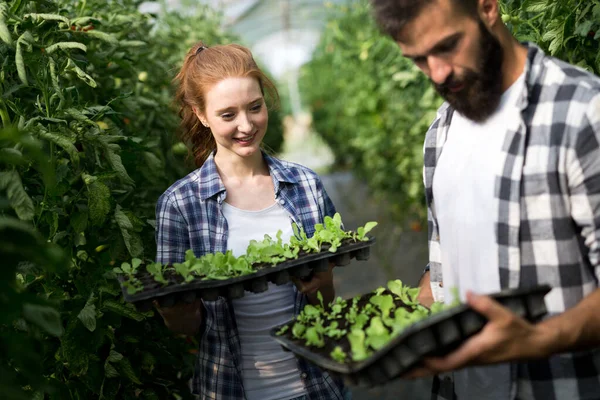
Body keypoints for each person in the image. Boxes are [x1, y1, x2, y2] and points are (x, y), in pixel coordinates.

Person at [370, 0, 600, 399]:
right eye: (419, 59)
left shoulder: (582, 114)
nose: (438, 72)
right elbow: (450, 261)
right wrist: (401, 316)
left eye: (447, 45)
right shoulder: (440, 133)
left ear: (488, 7)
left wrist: (538, 339)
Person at [153, 42, 349, 400]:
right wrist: (173, 306)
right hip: (230, 388)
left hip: (318, 386)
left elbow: (325, 300)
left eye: (255, 108)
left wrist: (320, 284)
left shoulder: (304, 185)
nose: (246, 125)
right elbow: (186, 328)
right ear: (201, 114)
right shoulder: (180, 205)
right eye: (228, 115)